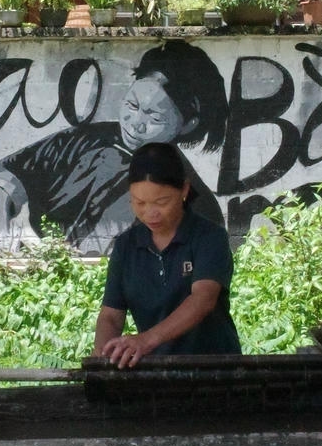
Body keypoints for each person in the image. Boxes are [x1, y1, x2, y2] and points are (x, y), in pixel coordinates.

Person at [0, 40, 228, 250]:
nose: (135, 124)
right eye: (132, 105)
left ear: (188, 124)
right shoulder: (84, 139)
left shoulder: (197, 206)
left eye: (154, 118)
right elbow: (4, 175)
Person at [92, 142, 242, 367]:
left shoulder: (209, 237)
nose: (150, 213)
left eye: (161, 202)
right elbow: (111, 316)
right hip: (154, 372)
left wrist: (146, 340)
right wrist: (102, 356)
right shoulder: (125, 246)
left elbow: (203, 299)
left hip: (215, 369)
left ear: (184, 190)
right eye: (139, 202)